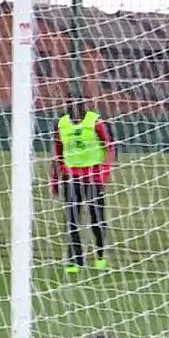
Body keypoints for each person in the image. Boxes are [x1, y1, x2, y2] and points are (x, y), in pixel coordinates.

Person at [50, 100, 114, 273]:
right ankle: (75, 261)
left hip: (93, 179)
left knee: (97, 220)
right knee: (72, 220)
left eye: (80, 106)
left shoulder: (95, 122)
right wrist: (54, 181)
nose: (76, 110)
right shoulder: (62, 125)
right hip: (71, 178)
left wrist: (104, 172)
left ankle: (100, 256)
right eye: (71, 106)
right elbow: (57, 154)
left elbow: (109, 147)